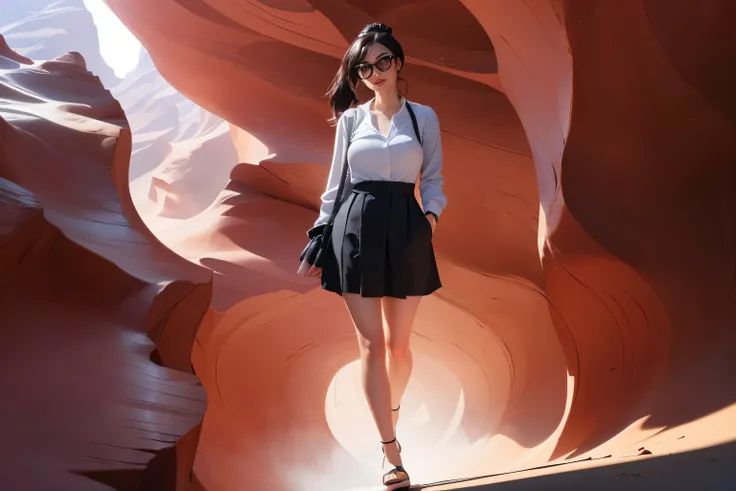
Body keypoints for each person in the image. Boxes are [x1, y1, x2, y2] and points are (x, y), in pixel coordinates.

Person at [305, 22, 447, 490]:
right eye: (364, 67)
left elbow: (434, 180)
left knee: (398, 346)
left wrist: (429, 219)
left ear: (399, 62)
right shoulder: (350, 121)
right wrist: (320, 234)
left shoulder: (423, 117)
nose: (375, 73)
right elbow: (334, 186)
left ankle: (388, 411)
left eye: (383, 62)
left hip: (407, 228)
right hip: (355, 229)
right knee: (369, 344)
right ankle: (391, 451)